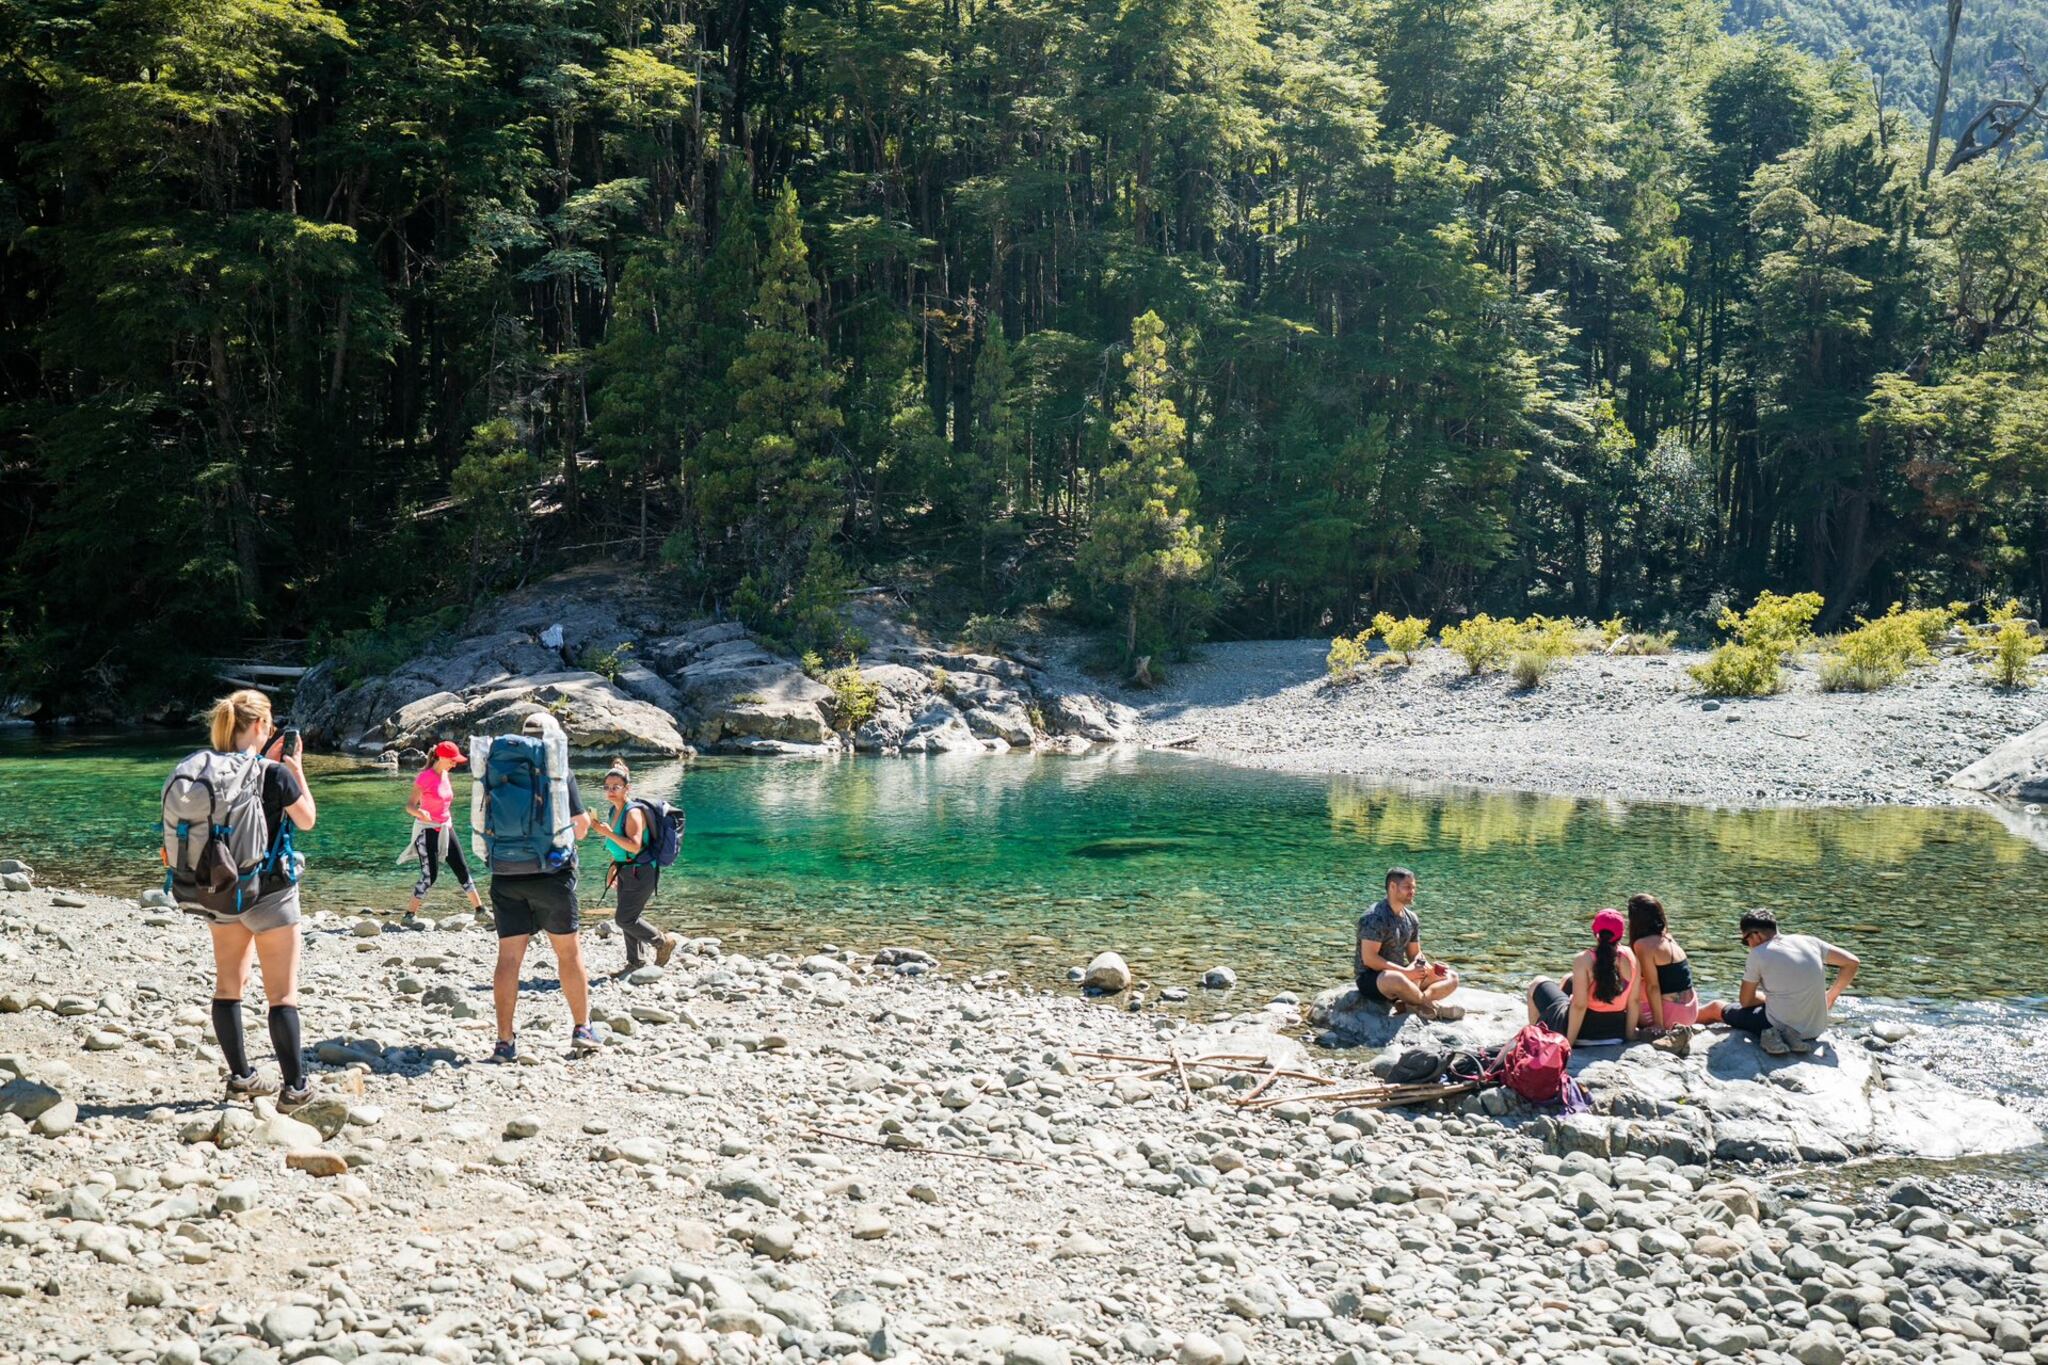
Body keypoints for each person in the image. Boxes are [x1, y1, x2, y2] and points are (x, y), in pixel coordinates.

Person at [197, 690, 319, 1107]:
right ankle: (296, 1088)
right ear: (261, 727)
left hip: (220, 890)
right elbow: (307, 819)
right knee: (282, 995)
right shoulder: (275, 773)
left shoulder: (205, 769)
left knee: (229, 986)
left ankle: (241, 1077)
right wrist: (295, 768)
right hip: (271, 894)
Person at [486, 713, 597, 1062]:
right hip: (551, 874)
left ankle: (504, 1041)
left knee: (509, 958)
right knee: (568, 953)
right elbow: (578, 828)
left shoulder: (498, 765)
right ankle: (582, 1029)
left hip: (504, 872)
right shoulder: (556, 767)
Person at [1699, 909, 1859, 1056]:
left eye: (1745, 941)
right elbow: (1852, 962)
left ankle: (1676, 1023)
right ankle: (1791, 1038)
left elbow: (1746, 1001)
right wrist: (1830, 997)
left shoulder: (1758, 954)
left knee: (1715, 1007)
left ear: (1755, 935)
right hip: (1816, 1028)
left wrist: (1765, 998)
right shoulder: (1810, 942)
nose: (1747, 946)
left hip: (1777, 1023)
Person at [593, 761, 677, 975]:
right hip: (626, 869)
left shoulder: (633, 813)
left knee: (625, 918)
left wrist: (608, 833)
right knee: (629, 916)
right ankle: (636, 962)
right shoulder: (614, 810)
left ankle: (662, 942)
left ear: (627, 789)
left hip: (642, 871)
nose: (611, 791)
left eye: (616, 787)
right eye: (607, 787)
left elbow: (634, 845)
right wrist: (614, 867)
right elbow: (620, 849)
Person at [1355, 867, 1465, 1022]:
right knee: (1395, 978)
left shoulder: (1411, 918)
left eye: (1414, 887)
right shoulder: (1374, 917)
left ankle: (1413, 1003)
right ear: (1392, 887)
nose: (1412, 891)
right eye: (1407, 887)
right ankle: (1432, 1006)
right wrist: (1406, 973)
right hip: (1373, 980)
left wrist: (1427, 969)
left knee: (1452, 977)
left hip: (1403, 976)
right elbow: (1370, 959)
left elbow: (1415, 954)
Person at [1526, 908, 1639, 1048]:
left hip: (1583, 1034)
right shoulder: (1631, 956)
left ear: (1595, 932)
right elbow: (1634, 1001)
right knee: (1569, 979)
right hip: (1615, 1035)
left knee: (1537, 982)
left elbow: (1579, 1006)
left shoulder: (1584, 959)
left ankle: (1535, 1038)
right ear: (1621, 934)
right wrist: (1629, 1036)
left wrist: (1568, 1044)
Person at [404, 741, 484, 918]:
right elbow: (409, 806)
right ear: (441, 757)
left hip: (446, 827)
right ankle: (409, 915)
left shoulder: (446, 774)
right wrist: (420, 812)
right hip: (427, 830)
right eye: (452, 760)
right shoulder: (424, 777)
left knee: (462, 869)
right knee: (430, 876)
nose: (455, 763)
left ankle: (480, 910)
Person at [1627, 893, 1700, 1051]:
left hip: (1671, 1017)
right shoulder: (1668, 938)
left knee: (1634, 984)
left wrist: (1658, 1024)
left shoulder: (1643, 944)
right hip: (1691, 1012)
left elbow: (1653, 987)